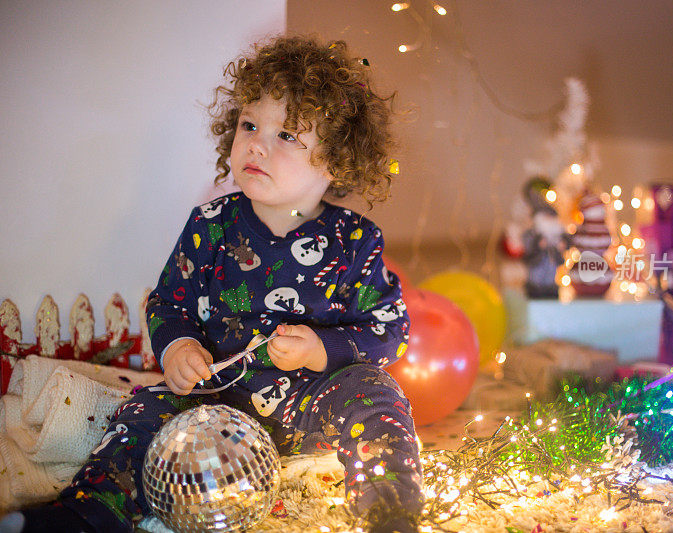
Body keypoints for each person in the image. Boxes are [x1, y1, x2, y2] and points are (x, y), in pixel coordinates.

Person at [0, 35, 421, 533]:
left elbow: (389, 330)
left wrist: (319, 348)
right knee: (142, 410)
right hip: (213, 400)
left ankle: (389, 506)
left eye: (287, 135)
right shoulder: (211, 225)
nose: (257, 143)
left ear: (335, 160)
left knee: (375, 391)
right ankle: (87, 515)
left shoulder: (355, 241)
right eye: (249, 124)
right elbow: (169, 304)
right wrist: (178, 347)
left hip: (314, 404)